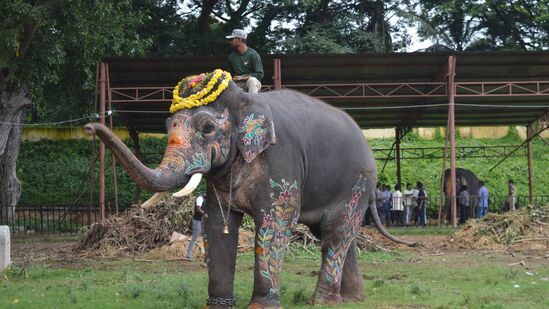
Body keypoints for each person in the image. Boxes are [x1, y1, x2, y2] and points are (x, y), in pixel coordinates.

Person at [226, 29, 264, 94]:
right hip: (237, 84)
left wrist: (242, 78)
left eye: (232, 39)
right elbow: (229, 75)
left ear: (239, 39)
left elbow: (260, 74)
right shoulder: (231, 56)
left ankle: (253, 103)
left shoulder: (253, 54)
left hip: (250, 82)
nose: (230, 41)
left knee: (252, 81)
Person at [186, 192, 206, 260]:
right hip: (198, 221)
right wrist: (205, 213)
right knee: (195, 237)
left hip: (204, 221)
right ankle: (189, 254)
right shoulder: (200, 198)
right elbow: (198, 209)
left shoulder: (207, 199)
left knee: (206, 238)